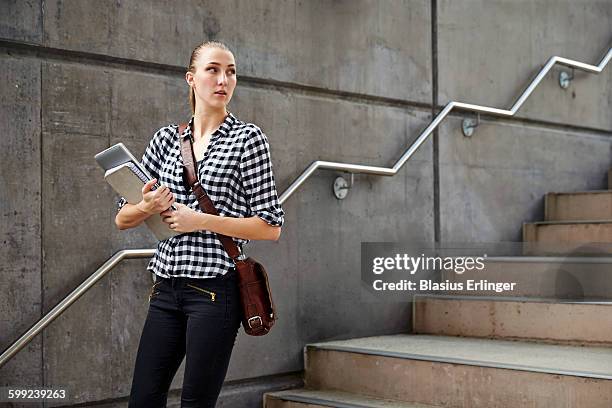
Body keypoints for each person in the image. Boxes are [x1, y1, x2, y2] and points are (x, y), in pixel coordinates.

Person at [114, 40, 284, 407]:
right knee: (143, 399)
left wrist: (199, 220)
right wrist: (146, 204)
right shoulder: (165, 139)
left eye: (230, 71)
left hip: (214, 293)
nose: (223, 79)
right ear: (191, 78)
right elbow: (122, 219)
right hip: (164, 290)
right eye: (213, 70)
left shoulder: (248, 139)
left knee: (196, 403)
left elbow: (270, 226)